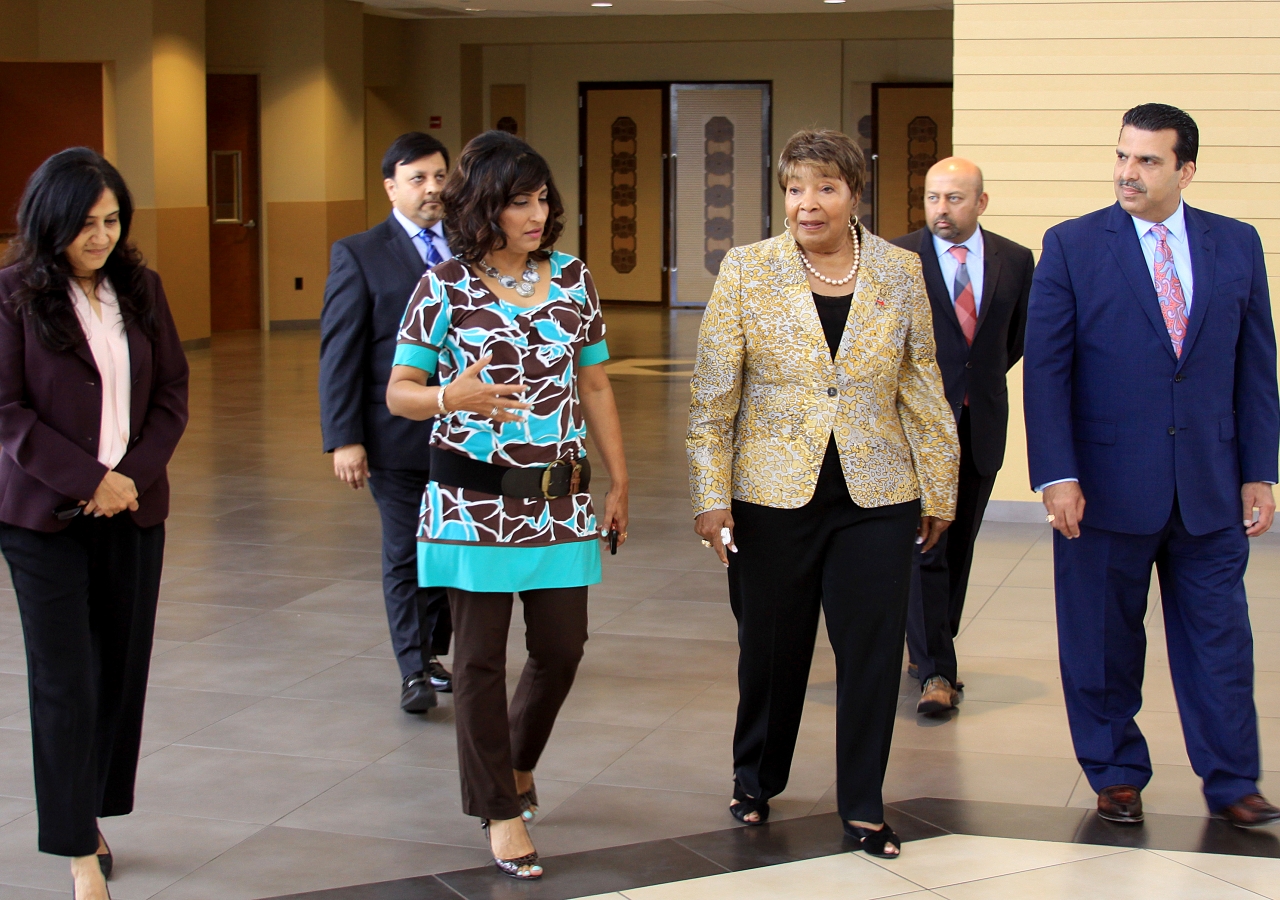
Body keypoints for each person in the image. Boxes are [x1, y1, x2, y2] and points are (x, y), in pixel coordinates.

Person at [687, 129, 958, 858]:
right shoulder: (747, 271)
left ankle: (864, 803)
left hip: (878, 493)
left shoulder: (900, 272)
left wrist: (940, 488)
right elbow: (714, 401)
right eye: (796, 188)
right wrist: (710, 499)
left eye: (826, 188)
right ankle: (756, 776)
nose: (809, 203)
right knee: (772, 651)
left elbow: (922, 384)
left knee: (869, 652)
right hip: (769, 497)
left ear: (854, 195)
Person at [1025, 103, 1280, 828]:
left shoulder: (1236, 244)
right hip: (1102, 488)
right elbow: (1046, 370)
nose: (1126, 173)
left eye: (1146, 161)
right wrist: (1056, 475)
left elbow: (1255, 367)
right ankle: (1115, 773)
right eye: (1122, 157)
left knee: (1221, 643)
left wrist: (1259, 469)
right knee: (1102, 642)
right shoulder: (1072, 245)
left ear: (1185, 170)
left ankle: (1233, 782)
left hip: (1210, 483)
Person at [386, 130, 630, 879]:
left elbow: (594, 385)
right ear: (483, 206)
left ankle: (515, 764)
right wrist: (444, 395)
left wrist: (618, 481)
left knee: (562, 649)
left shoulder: (573, 279)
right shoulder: (444, 287)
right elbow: (398, 394)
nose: (536, 213)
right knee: (480, 662)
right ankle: (498, 810)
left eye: (542, 198)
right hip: (470, 501)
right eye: (519, 200)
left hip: (557, 502)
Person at [0, 149, 189, 900]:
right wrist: (91, 481)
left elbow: (172, 391)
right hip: (43, 518)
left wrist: (130, 479)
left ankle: (93, 811)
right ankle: (78, 850)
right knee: (65, 681)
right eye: (85, 224)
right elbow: (7, 411)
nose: (101, 236)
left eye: (112, 221)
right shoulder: (11, 295)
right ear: (50, 222)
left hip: (133, 513)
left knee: (117, 673)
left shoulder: (141, 289)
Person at [891, 158, 1033, 716]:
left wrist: (975, 385)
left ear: (981, 202)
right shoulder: (898, 258)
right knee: (925, 545)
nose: (940, 210)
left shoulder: (1016, 261)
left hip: (980, 423)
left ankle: (929, 645)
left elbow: (1012, 341)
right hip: (916, 429)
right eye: (932, 198)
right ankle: (937, 671)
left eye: (953, 199)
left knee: (960, 545)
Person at [320, 132, 454, 712]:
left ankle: (432, 651)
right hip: (393, 437)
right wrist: (344, 438)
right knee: (405, 549)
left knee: (448, 546)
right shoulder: (359, 253)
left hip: (464, 432)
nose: (431, 188)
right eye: (418, 177)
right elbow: (340, 352)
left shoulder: (471, 249)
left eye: (440, 176)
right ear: (390, 186)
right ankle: (412, 669)